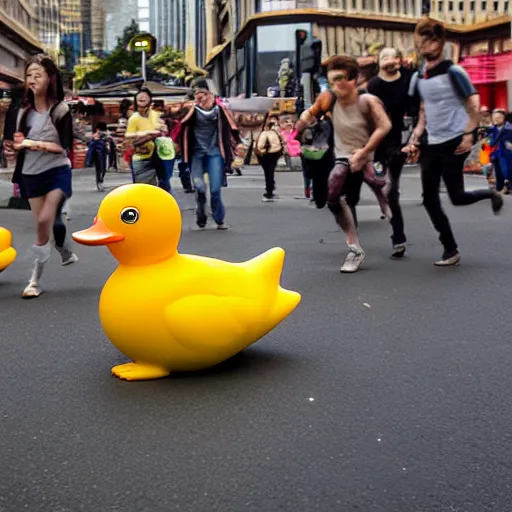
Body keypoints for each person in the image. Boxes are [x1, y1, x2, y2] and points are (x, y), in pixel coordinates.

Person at [403, 18, 503, 267]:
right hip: (431, 143)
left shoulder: (453, 72)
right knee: (429, 199)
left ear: (440, 43)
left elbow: (474, 104)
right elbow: (423, 112)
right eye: (422, 39)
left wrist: (469, 135)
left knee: (457, 197)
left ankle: (489, 194)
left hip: (454, 142)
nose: (425, 44)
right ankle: (450, 249)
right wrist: (415, 138)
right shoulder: (419, 76)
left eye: (431, 39)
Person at [296, 55, 392, 273]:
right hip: (340, 154)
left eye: (341, 79)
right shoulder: (328, 98)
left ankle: (383, 199)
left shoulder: (367, 101)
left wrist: (366, 152)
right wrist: (300, 125)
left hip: (365, 151)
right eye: (332, 81)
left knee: (368, 180)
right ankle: (355, 247)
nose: (337, 86)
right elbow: (310, 114)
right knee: (334, 193)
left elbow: (384, 126)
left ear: (354, 79)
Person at [5, 54, 78, 298]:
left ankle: (33, 282)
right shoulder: (21, 112)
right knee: (43, 227)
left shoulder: (60, 110)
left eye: (38, 75)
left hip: (57, 170)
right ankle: (59, 250)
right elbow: (15, 142)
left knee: (46, 218)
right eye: (29, 75)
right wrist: (15, 146)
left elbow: (65, 146)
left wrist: (36, 144)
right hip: (30, 174)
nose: (33, 80)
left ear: (50, 78)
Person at [368, 47, 418, 258]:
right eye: (384, 57)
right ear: (378, 62)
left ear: (399, 60)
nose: (390, 60)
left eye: (393, 56)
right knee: (375, 185)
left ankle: (398, 238)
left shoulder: (408, 81)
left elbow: (415, 112)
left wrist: (415, 140)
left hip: (398, 142)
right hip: (377, 142)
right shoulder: (374, 85)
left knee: (392, 190)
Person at [180, 80, 244, 230]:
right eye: (198, 94)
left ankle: (219, 219)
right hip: (196, 154)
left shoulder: (220, 110)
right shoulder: (191, 110)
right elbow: (179, 123)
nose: (202, 97)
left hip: (215, 153)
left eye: (205, 93)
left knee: (215, 189)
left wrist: (239, 143)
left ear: (212, 95)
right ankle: (201, 215)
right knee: (200, 187)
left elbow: (231, 127)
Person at [124, 87, 162, 186]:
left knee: (161, 188)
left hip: (159, 156)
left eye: (145, 96)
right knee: (143, 189)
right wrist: (149, 136)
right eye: (139, 96)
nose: (142, 97)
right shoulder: (134, 119)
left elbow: (163, 131)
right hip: (141, 158)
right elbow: (130, 142)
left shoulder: (155, 115)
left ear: (150, 99)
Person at [256, 113, 284, 202]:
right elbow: (281, 139)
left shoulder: (264, 128)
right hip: (271, 151)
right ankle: (270, 188)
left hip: (265, 152)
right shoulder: (275, 128)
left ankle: (270, 188)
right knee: (269, 171)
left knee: (268, 171)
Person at [488, 109, 512, 195]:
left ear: (504, 118)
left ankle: (507, 186)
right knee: (498, 172)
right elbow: (489, 143)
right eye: (494, 118)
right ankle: (499, 188)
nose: (496, 119)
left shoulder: (509, 129)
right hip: (495, 154)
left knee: (507, 170)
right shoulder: (491, 129)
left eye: (498, 118)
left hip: (506, 154)